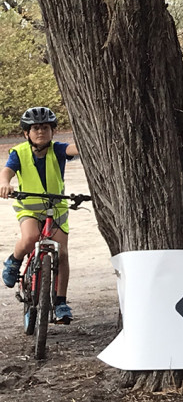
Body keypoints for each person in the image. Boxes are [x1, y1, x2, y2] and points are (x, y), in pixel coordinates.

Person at [1, 107, 80, 323]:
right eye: (35, 128)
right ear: (27, 133)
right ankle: (14, 261)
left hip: (56, 209)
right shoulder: (20, 153)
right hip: (29, 207)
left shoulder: (58, 149)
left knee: (62, 253)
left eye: (45, 127)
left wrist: (85, 141)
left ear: (53, 131)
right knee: (29, 238)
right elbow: (7, 170)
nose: (40, 132)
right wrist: (5, 183)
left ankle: (61, 301)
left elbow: (74, 149)